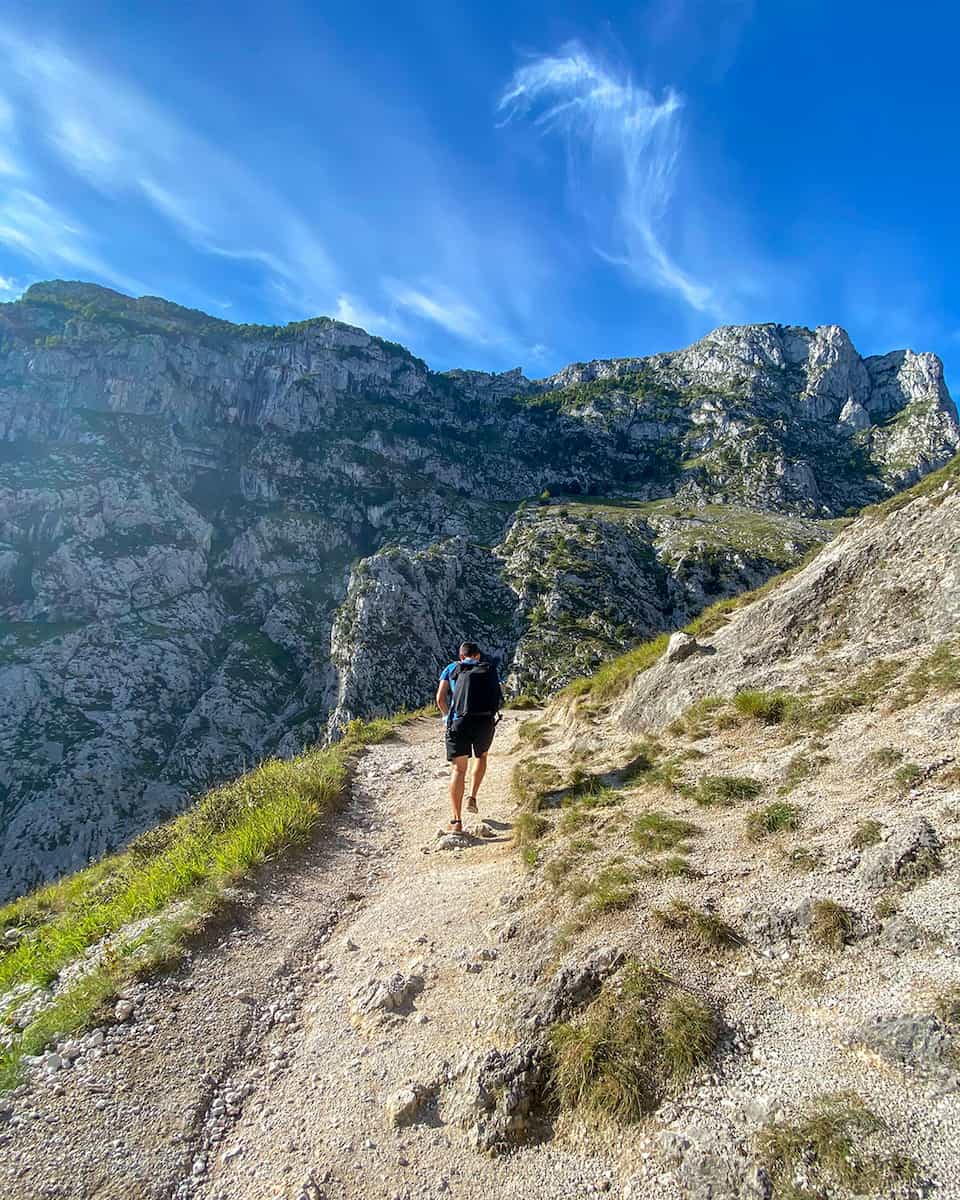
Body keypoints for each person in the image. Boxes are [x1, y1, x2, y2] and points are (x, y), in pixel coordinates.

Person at [435, 641, 503, 833]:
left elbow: (440, 698)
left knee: (458, 769)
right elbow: (498, 695)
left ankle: (456, 821)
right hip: (484, 722)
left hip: (459, 722)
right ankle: (472, 797)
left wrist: (447, 717)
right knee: (481, 757)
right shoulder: (488, 669)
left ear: (461, 655)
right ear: (478, 656)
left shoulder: (451, 668)